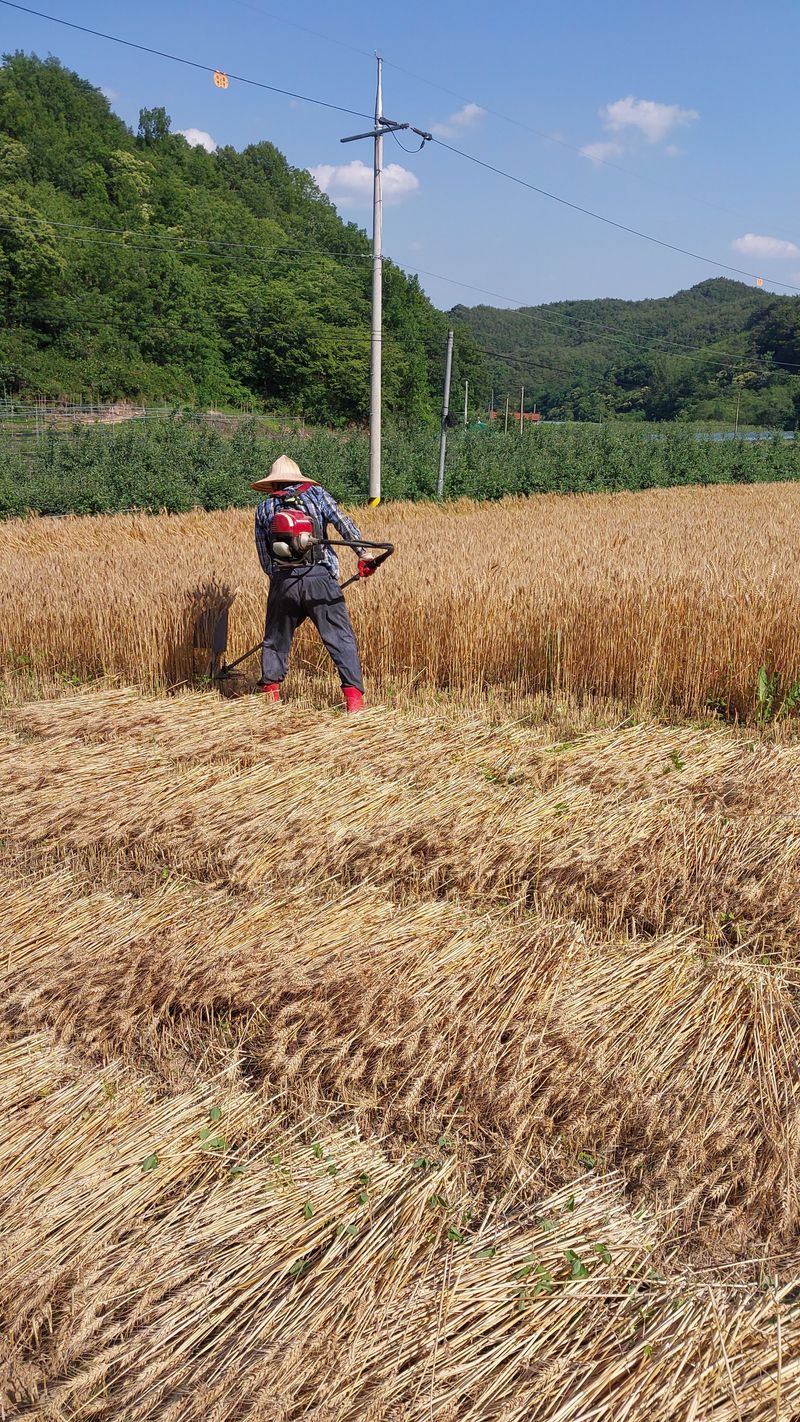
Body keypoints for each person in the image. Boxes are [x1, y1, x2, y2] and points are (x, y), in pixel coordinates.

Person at [252, 454, 377, 712]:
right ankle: (354, 703)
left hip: (283, 581)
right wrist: (364, 554)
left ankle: (270, 699)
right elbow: (343, 523)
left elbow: (265, 558)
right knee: (340, 638)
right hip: (320, 578)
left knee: (275, 639)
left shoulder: (263, 508)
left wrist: (282, 584)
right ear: (296, 479)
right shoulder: (316, 494)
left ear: (273, 484)